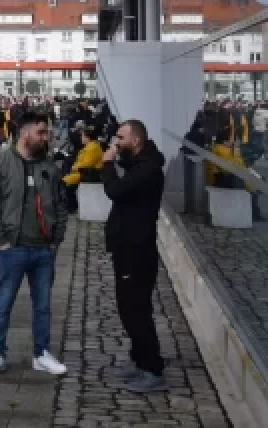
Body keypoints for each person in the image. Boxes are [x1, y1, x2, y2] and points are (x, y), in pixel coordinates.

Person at [0, 111, 68, 378]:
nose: (46, 137)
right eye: (41, 132)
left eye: (47, 132)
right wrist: (1, 239)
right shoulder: (2, 162)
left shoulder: (49, 166)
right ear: (25, 133)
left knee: (43, 305)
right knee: (3, 303)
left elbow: (61, 203)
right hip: (13, 247)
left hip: (43, 248)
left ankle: (41, 353)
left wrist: (56, 239)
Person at [102, 119, 167, 393]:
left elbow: (115, 190)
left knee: (135, 311)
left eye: (120, 137)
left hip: (136, 250)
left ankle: (152, 369)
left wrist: (107, 163)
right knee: (130, 308)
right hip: (127, 247)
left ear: (136, 141)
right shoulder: (141, 164)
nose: (116, 142)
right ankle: (140, 360)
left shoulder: (148, 170)